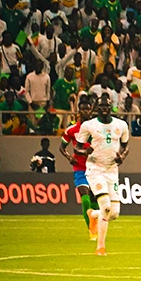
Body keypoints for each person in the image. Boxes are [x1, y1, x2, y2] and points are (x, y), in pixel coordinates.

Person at [75, 95, 131, 255]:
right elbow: (77, 148)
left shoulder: (121, 125)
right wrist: (85, 151)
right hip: (95, 169)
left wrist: (122, 156)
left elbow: (126, 146)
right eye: (101, 107)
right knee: (106, 206)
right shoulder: (88, 125)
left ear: (111, 107)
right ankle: (100, 247)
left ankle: (93, 214)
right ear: (96, 108)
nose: (104, 109)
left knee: (114, 213)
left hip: (112, 171)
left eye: (107, 106)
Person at [60, 96, 99, 240]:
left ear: (91, 110)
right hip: (80, 169)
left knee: (95, 200)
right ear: (79, 111)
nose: (85, 111)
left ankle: (96, 224)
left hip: (96, 169)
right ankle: (91, 229)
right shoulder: (72, 130)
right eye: (82, 109)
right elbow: (62, 147)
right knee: (85, 199)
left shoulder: (97, 128)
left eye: (88, 108)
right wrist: (69, 157)